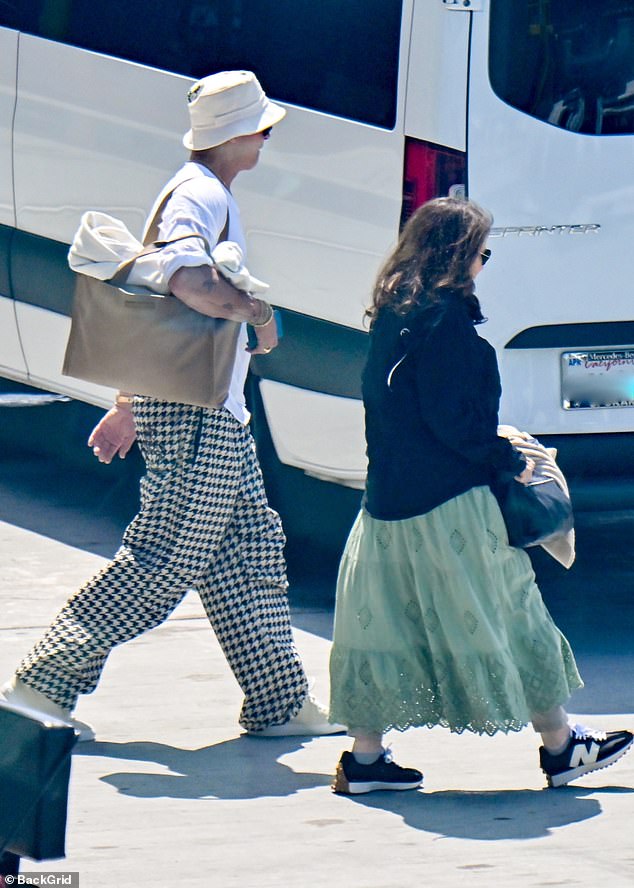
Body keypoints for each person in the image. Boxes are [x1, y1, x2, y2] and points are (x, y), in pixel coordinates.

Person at [1, 70, 343, 742]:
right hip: (198, 416)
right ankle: (43, 681)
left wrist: (132, 400)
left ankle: (278, 701)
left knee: (249, 555)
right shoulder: (200, 194)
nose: (267, 138)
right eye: (261, 127)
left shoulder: (202, 191)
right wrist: (257, 312)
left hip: (210, 411)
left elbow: (156, 307)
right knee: (162, 562)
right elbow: (183, 280)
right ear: (237, 134)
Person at [328, 197, 632, 793]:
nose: (483, 265)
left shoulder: (394, 315)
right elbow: (457, 424)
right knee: (512, 613)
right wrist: (510, 460)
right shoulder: (447, 326)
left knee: (382, 628)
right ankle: (562, 746)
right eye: (481, 254)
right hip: (451, 505)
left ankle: (364, 758)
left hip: (386, 503)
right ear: (458, 257)